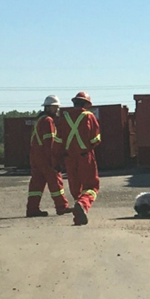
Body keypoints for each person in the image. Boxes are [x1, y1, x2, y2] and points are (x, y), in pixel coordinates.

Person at [58, 91, 102, 226]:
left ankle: (78, 215)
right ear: (87, 104)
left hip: (69, 158)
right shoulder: (89, 116)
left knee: (76, 188)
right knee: (92, 186)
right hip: (85, 156)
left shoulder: (65, 117)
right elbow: (96, 139)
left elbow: (58, 140)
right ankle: (83, 205)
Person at [25, 95, 71, 217]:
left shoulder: (39, 120)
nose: (57, 110)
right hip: (45, 157)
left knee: (37, 183)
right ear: (49, 107)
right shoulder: (47, 121)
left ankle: (32, 208)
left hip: (35, 157)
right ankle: (61, 207)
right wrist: (55, 158)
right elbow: (49, 142)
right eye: (55, 108)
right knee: (55, 181)